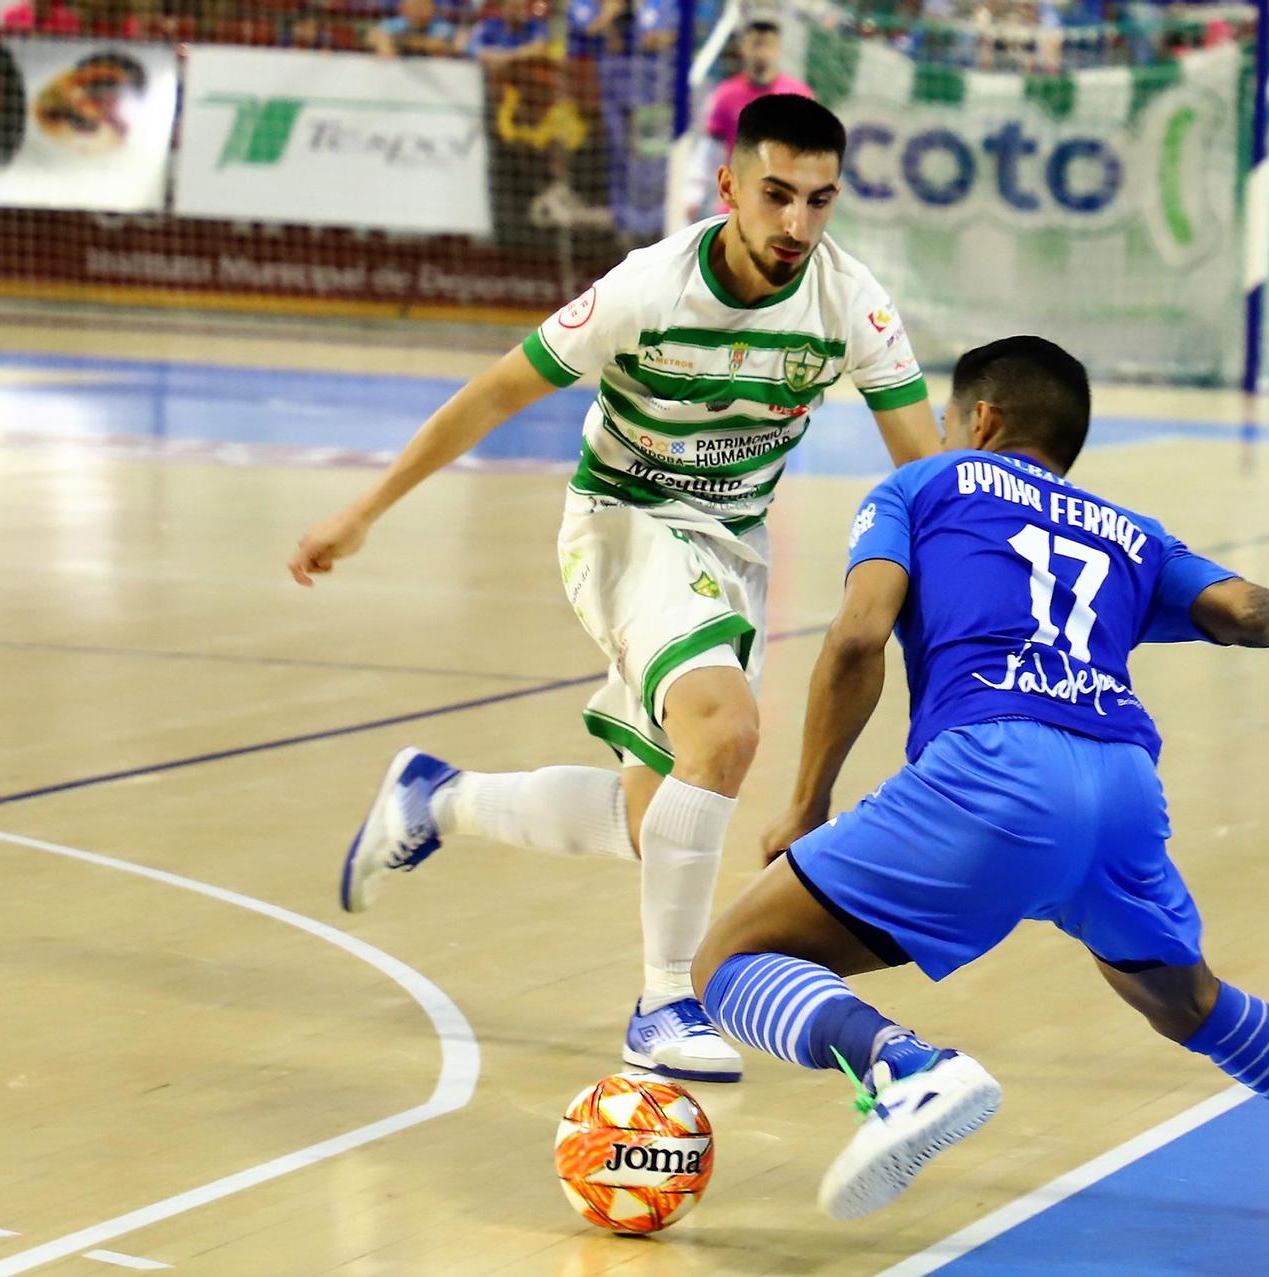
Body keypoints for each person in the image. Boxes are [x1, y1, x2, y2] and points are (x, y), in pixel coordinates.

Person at [690, 335, 1269, 1225]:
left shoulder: (924, 483)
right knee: (1189, 1001)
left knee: (728, 960)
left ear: (983, 417)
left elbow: (857, 636)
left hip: (994, 770)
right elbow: (1267, 614)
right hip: (1121, 786)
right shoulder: (1132, 535)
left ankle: (905, 1067)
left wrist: (807, 800)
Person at [289, 94, 940, 1084]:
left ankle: (438, 800)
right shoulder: (646, 289)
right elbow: (496, 392)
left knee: (658, 822)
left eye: (819, 200)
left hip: (728, 545)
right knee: (724, 734)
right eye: (776, 196)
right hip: (623, 521)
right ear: (728, 187)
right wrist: (367, 509)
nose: (797, 225)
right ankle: (664, 1000)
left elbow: (925, 474)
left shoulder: (851, 303)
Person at [685, 20, 814, 224]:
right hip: (737, 203)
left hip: (784, 205)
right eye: (756, 44)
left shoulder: (799, 96)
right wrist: (694, 193)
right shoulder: (726, 95)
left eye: (768, 45)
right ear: (744, 48)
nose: (762, 52)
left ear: (779, 49)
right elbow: (709, 150)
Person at [461, 0, 549, 61]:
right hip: (493, 76)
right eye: (514, 7)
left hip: (524, 76)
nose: (519, 12)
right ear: (503, 8)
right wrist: (491, 55)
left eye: (521, 7)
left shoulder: (534, 26)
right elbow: (470, 46)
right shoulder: (491, 24)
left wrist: (506, 56)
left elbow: (539, 47)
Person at [371, 0, 456, 58]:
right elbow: (374, 35)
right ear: (403, 9)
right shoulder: (395, 24)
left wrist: (399, 42)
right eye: (414, 6)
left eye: (424, 5)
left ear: (433, 9)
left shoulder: (442, 27)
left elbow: (437, 45)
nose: (420, 10)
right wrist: (382, 42)